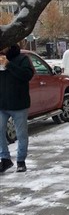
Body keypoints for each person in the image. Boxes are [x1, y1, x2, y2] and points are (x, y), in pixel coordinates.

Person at [0, 44, 34, 173]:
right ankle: (5, 159)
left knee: (21, 134)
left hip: (19, 104)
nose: (2, 49)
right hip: (2, 104)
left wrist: (9, 65)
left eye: (4, 47)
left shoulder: (22, 59)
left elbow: (27, 75)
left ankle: (21, 161)